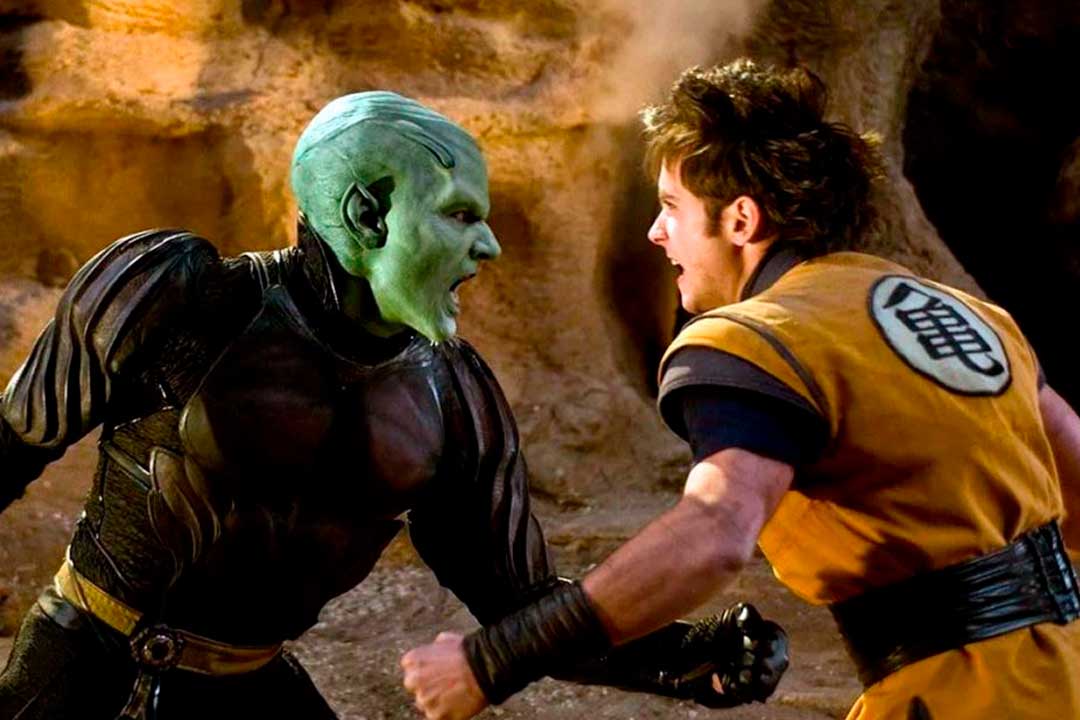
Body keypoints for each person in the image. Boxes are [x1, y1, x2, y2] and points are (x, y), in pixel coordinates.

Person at [0, 91, 788, 719]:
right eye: (459, 214)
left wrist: (686, 657)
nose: (489, 247)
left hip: (247, 688)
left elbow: (521, 608)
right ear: (367, 215)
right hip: (79, 670)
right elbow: (8, 449)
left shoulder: (455, 395)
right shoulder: (178, 294)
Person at [401, 59, 1080, 720]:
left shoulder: (751, 340)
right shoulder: (969, 316)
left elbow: (716, 533)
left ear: (741, 220)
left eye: (671, 206)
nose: (655, 232)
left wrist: (492, 660)